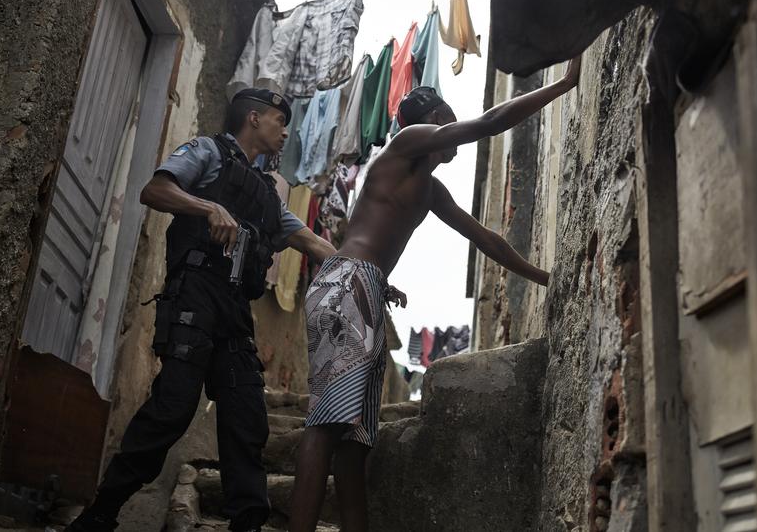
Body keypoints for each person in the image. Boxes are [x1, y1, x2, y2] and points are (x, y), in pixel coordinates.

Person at [288, 59, 582, 532]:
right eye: (447, 121)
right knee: (325, 424)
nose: (452, 132)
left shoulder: (431, 191)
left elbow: (487, 239)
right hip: (347, 283)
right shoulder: (405, 142)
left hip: (364, 288)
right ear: (435, 119)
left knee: (355, 439)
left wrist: (545, 277)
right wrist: (564, 84)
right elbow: (489, 123)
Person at [68, 88, 336, 532]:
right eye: (279, 121)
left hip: (234, 311)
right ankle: (101, 512)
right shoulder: (207, 152)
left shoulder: (269, 194)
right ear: (253, 118)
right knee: (172, 409)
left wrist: (368, 276)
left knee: (247, 419)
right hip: (194, 294)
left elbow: (312, 242)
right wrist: (207, 205)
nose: (286, 132)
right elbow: (154, 190)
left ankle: (247, 523)